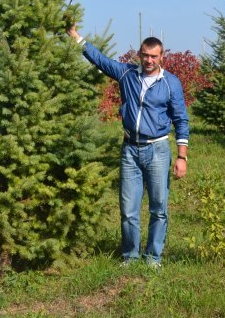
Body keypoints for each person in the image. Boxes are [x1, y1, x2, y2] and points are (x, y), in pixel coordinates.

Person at [67, 25, 188, 267]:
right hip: (130, 151)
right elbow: (99, 60)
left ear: (161, 56)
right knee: (128, 209)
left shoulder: (170, 83)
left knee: (158, 208)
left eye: (154, 56)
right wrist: (75, 37)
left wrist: (181, 156)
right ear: (139, 55)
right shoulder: (126, 74)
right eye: (145, 55)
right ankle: (131, 256)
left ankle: (153, 257)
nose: (149, 60)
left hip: (158, 150)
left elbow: (181, 119)